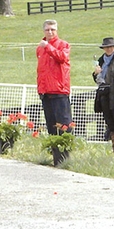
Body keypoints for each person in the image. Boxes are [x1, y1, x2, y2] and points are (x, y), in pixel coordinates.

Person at [36, 19, 73, 166]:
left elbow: (62, 58)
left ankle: (65, 158)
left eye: (52, 29)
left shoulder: (63, 45)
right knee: (51, 125)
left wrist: (49, 47)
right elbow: (41, 70)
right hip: (46, 91)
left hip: (59, 91)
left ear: (56, 30)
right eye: (47, 30)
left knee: (64, 125)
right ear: (43, 31)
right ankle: (55, 157)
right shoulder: (40, 48)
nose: (50, 32)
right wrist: (40, 88)